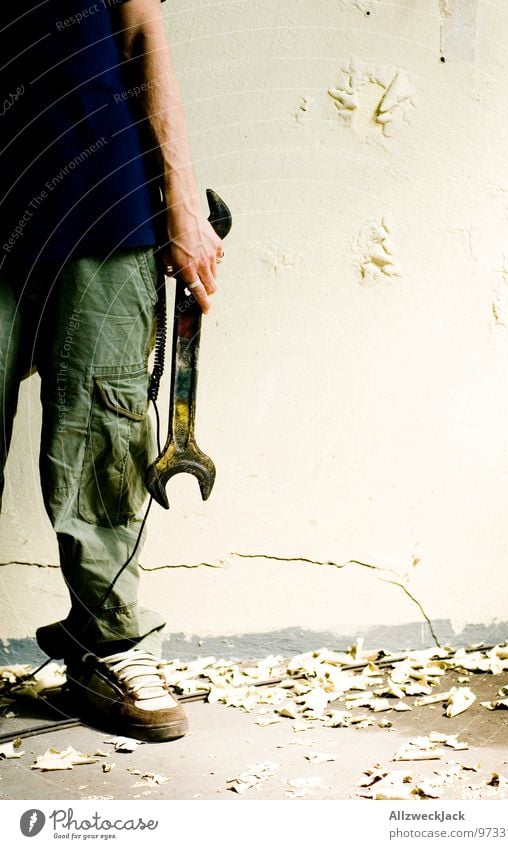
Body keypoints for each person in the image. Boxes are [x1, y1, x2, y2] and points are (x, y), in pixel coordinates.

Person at [0, 0, 223, 741]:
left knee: (105, 430)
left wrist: (182, 198)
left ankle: (111, 645)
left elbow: (141, 24)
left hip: (105, 185)